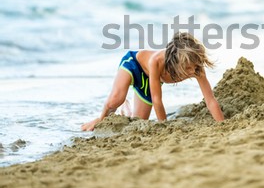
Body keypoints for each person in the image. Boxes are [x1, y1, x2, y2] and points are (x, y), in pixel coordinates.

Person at [81, 32, 224, 131]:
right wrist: (164, 127)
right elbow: (157, 99)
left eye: (195, 66)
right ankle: (100, 118)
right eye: (187, 68)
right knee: (115, 100)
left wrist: (221, 125)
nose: (193, 71)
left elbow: (210, 100)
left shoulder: (196, 67)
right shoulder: (157, 61)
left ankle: (126, 108)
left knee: (138, 121)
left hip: (148, 82)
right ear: (175, 62)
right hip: (133, 65)